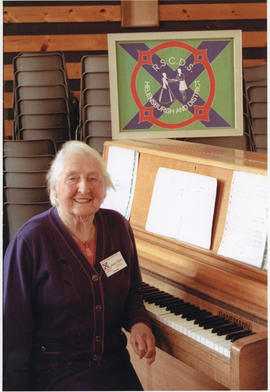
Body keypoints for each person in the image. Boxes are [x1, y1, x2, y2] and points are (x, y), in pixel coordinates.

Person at [3, 140, 156, 391]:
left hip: (114, 365)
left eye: (93, 179)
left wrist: (139, 321)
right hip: (54, 372)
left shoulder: (117, 227)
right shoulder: (30, 241)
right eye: (72, 179)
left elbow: (133, 291)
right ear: (54, 188)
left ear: (105, 188)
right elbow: (12, 332)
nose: (84, 188)